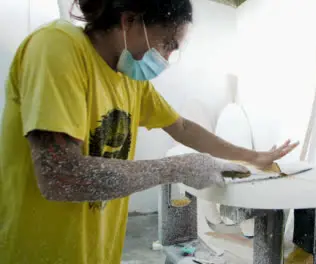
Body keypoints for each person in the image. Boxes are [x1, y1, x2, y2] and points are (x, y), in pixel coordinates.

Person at [0, 0, 298, 263]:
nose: (166, 58)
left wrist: (254, 157)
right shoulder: (57, 48)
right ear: (129, 20)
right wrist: (177, 168)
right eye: (167, 43)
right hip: (38, 250)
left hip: (96, 251)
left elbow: (181, 127)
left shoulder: (129, 78)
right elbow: (59, 176)